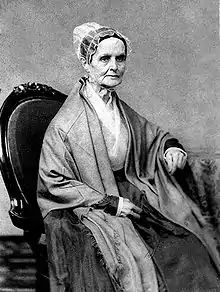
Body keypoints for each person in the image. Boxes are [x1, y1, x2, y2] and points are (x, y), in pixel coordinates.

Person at [37, 22, 220, 292]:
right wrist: (110, 202)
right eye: (104, 58)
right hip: (88, 204)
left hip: (129, 192)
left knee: (188, 246)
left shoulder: (115, 105)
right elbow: (53, 180)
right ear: (86, 64)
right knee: (127, 265)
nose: (114, 66)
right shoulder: (67, 123)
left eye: (120, 58)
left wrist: (169, 147)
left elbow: (150, 135)